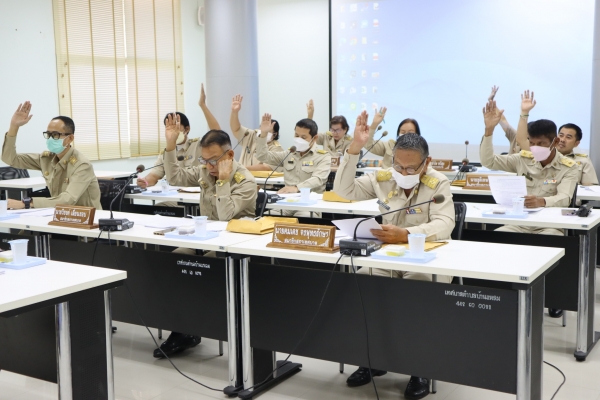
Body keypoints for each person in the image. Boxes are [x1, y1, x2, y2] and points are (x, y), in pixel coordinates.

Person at [333, 111, 455, 400]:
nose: (403, 172)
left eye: (411, 168)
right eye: (398, 165)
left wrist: (407, 234)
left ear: (426, 163)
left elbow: (445, 224)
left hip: (426, 257)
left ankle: (418, 368)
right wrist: (354, 148)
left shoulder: (438, 183)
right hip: (388, 256)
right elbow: (343, 189)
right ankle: (372, 360)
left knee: (414, 295)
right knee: (362, 285)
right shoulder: (384, 177)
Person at [152, 114, 257, 359]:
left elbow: (225, 215)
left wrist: (223, 181)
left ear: (229, 155)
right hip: (206, 238)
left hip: (234, 246)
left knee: (204, 266)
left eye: (213, 161)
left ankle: (198, 326)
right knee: (175, 260)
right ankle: (183, 328)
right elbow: (175, 178)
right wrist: (170, 145)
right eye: (204, 160)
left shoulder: (246, 181)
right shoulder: (204, 170)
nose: (208, 166)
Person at [2, 101, 101, 209]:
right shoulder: (47, 159)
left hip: (89, 217)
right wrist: (14, 126)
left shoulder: (82, 165)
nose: (50, 138)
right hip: (61, 214)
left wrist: (26, 203)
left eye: (55, 135)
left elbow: (67, 199)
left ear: (70, 138)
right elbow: (10, 159)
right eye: (48, 134)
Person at [499, 90, 598, 185]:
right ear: (555, 140)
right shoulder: (543, 153)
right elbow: (521, 140)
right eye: (561, 135)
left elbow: (589, 189)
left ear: (577, 143)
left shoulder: (583, 161)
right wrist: (524, 112)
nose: (562, 140)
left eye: (568, 137)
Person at [255, 113, 331, 217]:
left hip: (310, 205)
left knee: (301, 217)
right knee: (267, 216)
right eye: (296, 135)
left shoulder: (323, 157)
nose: (299, 139)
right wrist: (263, 135)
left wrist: (296, 187)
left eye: (303, 137)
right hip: (287, 203)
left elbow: (318, 179)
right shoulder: (289, 153)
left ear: (314, 138)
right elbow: (262, 156)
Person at [136, 111, 200, 191]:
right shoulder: (165, 153)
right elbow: (154, 175)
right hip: (174, 194)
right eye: (169, 127)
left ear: (187, 129)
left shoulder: (199, 145)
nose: (173, 131)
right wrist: (144, 181)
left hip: (196, 194)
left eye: (175, 127)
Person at [229, 94, 284, 171]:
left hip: (258, 178)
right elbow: (236, 129)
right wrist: (234, 112)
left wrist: (239, 168)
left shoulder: (276, 148)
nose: (263, 132)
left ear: (274, 135)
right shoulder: (251, 135)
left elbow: (266, 168)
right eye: (262, 128)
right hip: (241, 176)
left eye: (267, 131)